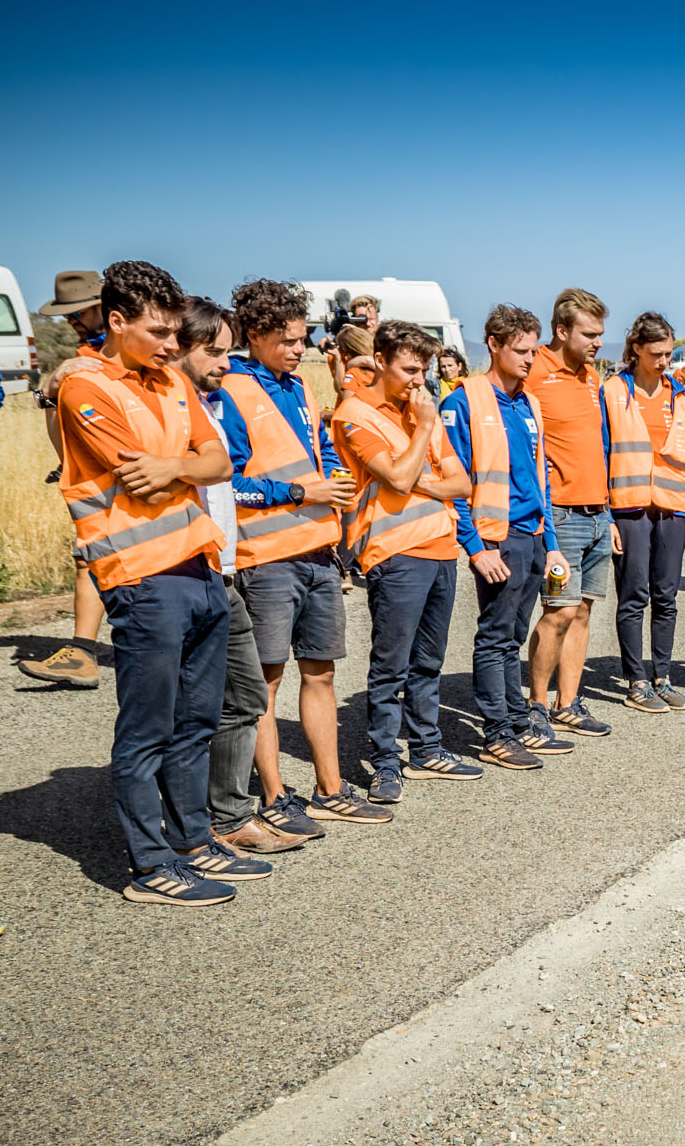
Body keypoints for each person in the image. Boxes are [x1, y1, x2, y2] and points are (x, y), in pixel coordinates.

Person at [58, 262, 248, 904]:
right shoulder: (84, 388)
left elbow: (221, 460)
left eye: (175, 332)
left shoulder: (168, 380)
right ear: (116, 321)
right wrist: (183, 465)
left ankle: (195, 843)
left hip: (199, 567)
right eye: (160, 331)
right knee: (147, 731)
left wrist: (175, 465)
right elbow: (129, 473)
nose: (174, 345)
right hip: (142, 579)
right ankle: (149, 865)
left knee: (197, 722)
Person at [222, 279, 383, 830]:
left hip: (318, 554)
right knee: (264, 681)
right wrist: (298, 492)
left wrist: (332, 476)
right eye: (288, 339)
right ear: (256, 335)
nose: (300, 348)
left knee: (321, 675)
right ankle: (272, 797)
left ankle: (330, 789)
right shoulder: (232, 391)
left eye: (303, 337)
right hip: (265, 559)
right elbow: (230, 484)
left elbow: (315, 453)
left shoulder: (301, 388)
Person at [179, 297, 304, 859]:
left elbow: (231, 477)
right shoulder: (170, 407)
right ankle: (189, 827)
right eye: (214, 351)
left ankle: (229, 814)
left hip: (222, 569)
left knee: (246, 694)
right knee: (191, 707)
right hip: (181, 569)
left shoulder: (217, 400)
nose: (224, 363)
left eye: (227, 351)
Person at [332, 321, 476, 803]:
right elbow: (393, 478)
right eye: (410, 369)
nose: (420, 379)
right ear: (380, 360)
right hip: (393, 554)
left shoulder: (418, 411)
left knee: (429, 661)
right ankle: (385, 761)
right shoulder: (355, 414)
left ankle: (428, 749)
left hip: (440, 547)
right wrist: (425, 433)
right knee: (391, 664)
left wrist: (418, 476)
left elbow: (462, 484)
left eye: (425, 369)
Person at [442, 304, 568, 770]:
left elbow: (539, 479)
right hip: (497, 539)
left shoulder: (529, 403)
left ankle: (518, 721)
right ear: (493, 345)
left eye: (533, 351)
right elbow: (451, 483)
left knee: (514, 634)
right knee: (495, 637)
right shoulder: (463, 401)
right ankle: (496, 733)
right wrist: (476, 548)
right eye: (520, 350)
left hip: (532, 535)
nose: (530, 359)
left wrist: (551, 541)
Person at [526, 287, 615, 742]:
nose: (599, 342)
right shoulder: (534, 372)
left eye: (601, 333)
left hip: (599, 513)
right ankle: (537, 704)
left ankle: (569, 702)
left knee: (582, 612)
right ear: (562, 330)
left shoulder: (591, 377)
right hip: (560, 517)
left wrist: (611, 515)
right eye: (590, 333)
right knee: (558, 612)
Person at [21, 270, 114, 690]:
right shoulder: (83, 354)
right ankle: (83, 652)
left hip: (121, 471)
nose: (73, 319)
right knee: (87, 556)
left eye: (79, 311)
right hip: (89, 474)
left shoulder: (117, 353)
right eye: (67, 314)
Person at [604, 311, 685, 713]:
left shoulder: (679, 394)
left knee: (667, 595)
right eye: (657, 353)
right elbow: (602, 453)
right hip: (629, 507)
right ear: (636, 349)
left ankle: (663, 676)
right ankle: (635, 680)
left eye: (669, 354)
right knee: (634, 595)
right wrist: (606, 518)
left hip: (672, 508)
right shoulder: (612, 391)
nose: (664, 362)